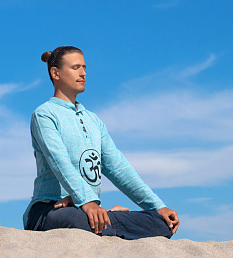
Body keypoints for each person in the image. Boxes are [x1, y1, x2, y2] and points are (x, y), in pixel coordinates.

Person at [23, 46, 180, 239]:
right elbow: (59, 162)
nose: (83, 73)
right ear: (55, 73)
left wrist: (157, 206)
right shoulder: (44, 114)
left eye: (84, 67)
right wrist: (86, 201)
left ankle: (107, 220)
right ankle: (108, 221)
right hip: (49, 209)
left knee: (161, 224)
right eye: (75, 68)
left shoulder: (93, 120)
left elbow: (119, 168)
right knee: (77, 220)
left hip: (87, 208)